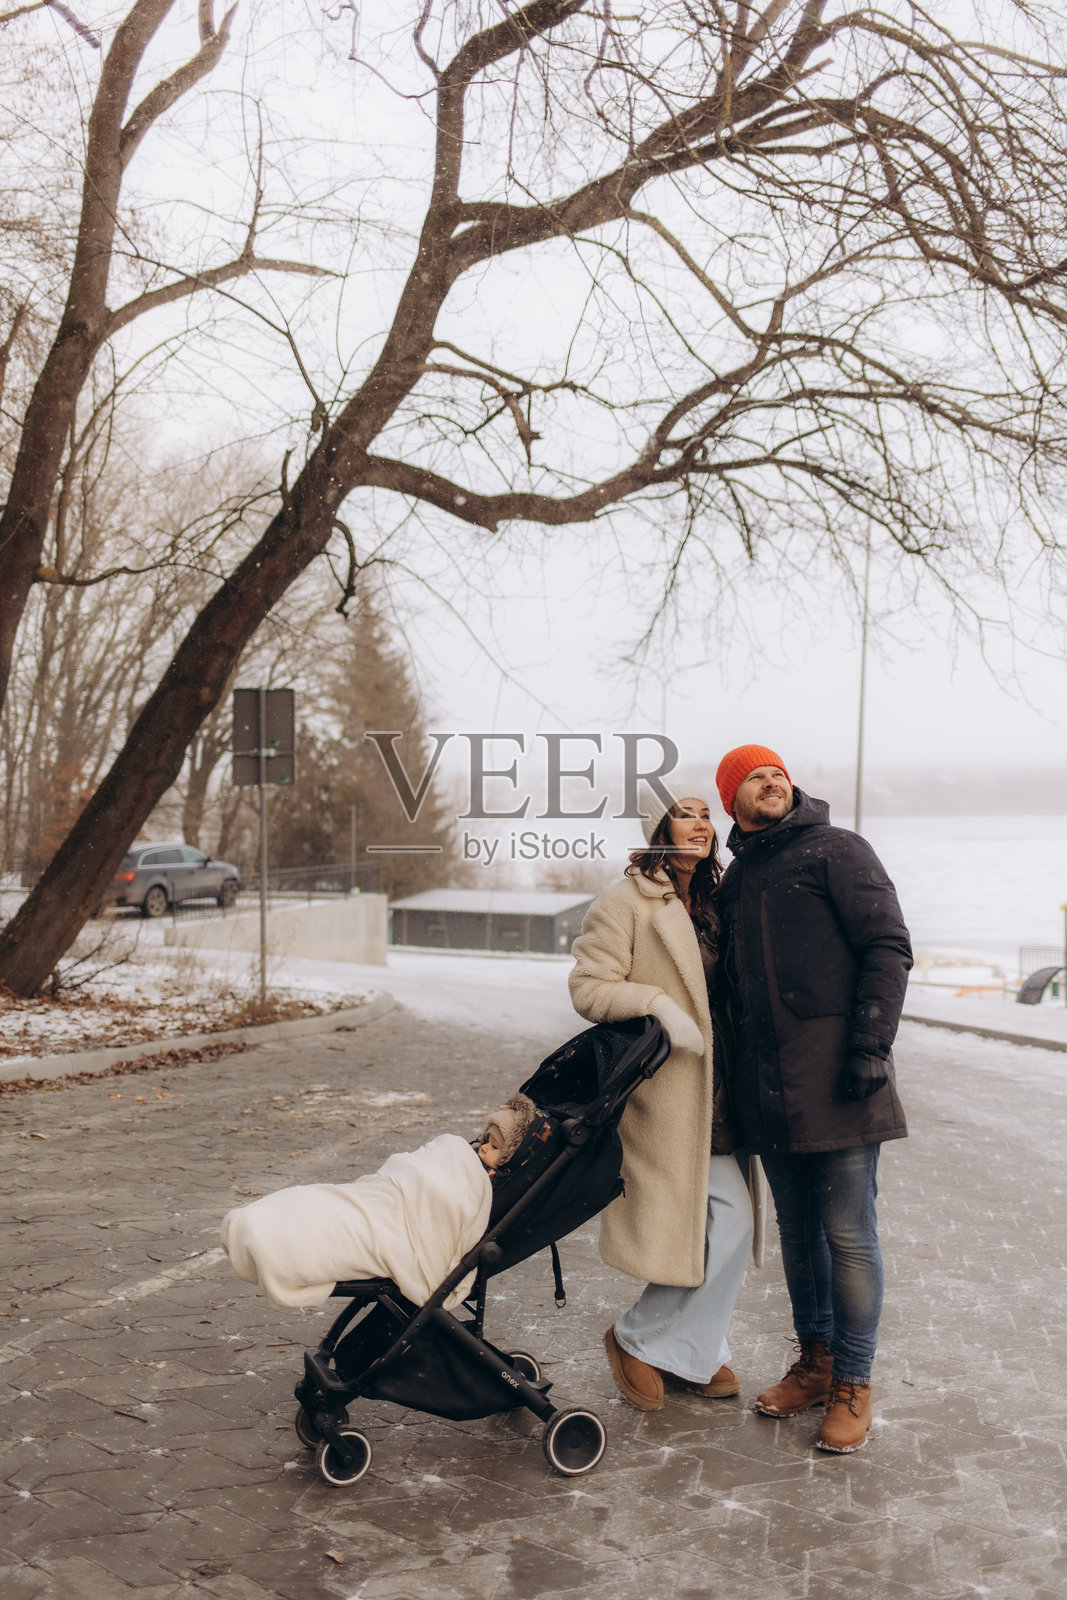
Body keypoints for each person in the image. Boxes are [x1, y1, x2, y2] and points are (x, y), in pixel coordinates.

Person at [714, 744, 912, 1453]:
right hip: (768, 1095)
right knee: (798, 1236)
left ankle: (854, 1382)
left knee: (848, 1233)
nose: (769, 781)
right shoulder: (735, 882)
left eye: (776, 773)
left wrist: (869, 1047)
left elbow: (887, 947)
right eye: (751, 779)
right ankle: (817, 1363)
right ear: (731, 803)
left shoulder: (837, 849)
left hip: (840, 1080)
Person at [569, 786, 763, 1412]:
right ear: (659, 829)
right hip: (666, 1093)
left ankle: (688, 1349)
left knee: (729, 1220)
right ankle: (639, 1339)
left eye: (708, 815)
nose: (702, 824)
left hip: (724, 1088)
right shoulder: (624, 901)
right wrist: (654, 1004)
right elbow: (590, 988)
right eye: (687, 814)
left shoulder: (722, 897)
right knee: (712, 1219)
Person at [221, 1094, 540, 1311]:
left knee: (335, 1227)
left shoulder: (482, 1186)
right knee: (325, 1203)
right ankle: (267, 1225)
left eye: (495, 1147)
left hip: (405, 1221)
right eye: (485, 1141)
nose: (483, 1149)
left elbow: (449, 1208)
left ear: (514, 1159)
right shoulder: (466, 1163)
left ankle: (270, 1237)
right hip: (391, 1198)